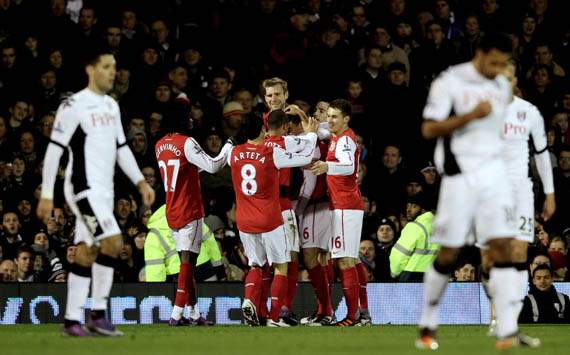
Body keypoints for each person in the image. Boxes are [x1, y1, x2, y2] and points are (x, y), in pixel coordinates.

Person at [415, 33, 536, 350]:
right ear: (480, 53)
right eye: (494, 62)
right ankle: (427, 324)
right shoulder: (451, 81)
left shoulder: (499, 85)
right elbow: (428, 128)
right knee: (449, 253)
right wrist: (469, 116)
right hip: (460, 178)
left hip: (493, 178)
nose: (498, 69)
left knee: (503, 248)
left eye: (504, 65)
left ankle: (507, 331)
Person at [37, 47, 155, 337]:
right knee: (114, 243)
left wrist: (141, 181)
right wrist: (47, 194)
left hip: (104, 192)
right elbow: (55, 149)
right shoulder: (73, 105)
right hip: (82, 188)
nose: (112, 72)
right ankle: (98, 315)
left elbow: (121, 147)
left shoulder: (111, 106)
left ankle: (72, 321)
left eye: (114, 66)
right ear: (90, 69)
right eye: (106, 66)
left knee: (88, 252)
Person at [483, 60, 556, 336]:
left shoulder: (529, 113)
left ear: (515, 81)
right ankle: (493, 315)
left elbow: (541, 155)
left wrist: (549, 193)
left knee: (517, 253)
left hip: (521, 192)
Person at [229, 114, 317, 327]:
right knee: (281, 265)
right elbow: (305, 159)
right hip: (269, 218)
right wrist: (312, 135)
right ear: (262, 129)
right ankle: (274, 317)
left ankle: (249, 300)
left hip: (244, 220)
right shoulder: (271, 152)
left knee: (255, 265)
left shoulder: (234, 152)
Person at [155, 119, 232, 326]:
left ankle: (194, 313)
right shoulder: (186, 142)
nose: (190, 121)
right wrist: (229, 145)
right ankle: (176, 313)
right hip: (189, 210)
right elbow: (214, 166)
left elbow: (183, 170)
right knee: (188, 262)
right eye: (187, 116)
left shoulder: (160, 144)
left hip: (171, 209)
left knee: (186, 263)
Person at [310, 98, 368, 326]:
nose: (330, 120)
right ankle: (358, 315)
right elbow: (322, 131)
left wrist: (327, 166)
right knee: (347, 259)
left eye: (335, 117)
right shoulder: (337, 137)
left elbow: (349, 166)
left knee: (345, 261)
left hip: (346, 206)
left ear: (346, 119)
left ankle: (352, 316)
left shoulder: (345, 140)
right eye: (329, 116)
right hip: (342, 206)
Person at [263, 107, 315, 325]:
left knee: (262, 262)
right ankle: (282, 309)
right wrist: (310, 130)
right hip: (283, 206)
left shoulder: (259, 146)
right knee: (289, 259)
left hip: (260, 207)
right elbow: (309, 151)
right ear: (284, 127)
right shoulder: (286, 142)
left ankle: (259, 308)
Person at [389, 192, 439, 282]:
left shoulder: (414, 227)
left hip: (412, 276)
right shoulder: (440, 227)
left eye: (414, 206)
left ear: (423, 210)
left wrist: (394, 274)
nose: (408, 209)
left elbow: (399, 256)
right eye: (408, 206)